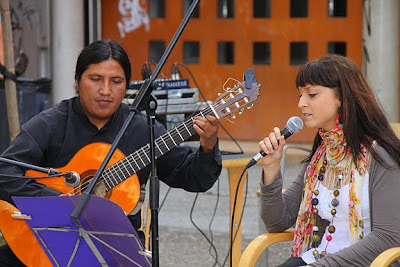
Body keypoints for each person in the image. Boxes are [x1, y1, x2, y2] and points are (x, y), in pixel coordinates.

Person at [0, 39, 222, 266]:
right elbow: (4, 172)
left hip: (113, 247)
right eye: (95, 79)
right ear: (77, 82)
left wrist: (208, 145)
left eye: (116, 81)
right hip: (46, 242)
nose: (105, 91)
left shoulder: (141, 130)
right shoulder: (51, 124)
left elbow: (193, 178)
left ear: (126, 86)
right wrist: (59, 202)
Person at [258, 54, 400, 266]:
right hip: (316, 259)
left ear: (342, 97)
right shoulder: (321, 156)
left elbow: (388, 238)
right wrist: (271, 169)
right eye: (300, 95)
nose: (301, 103)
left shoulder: (380, 156)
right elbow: (277, 221)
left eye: (312, 94)